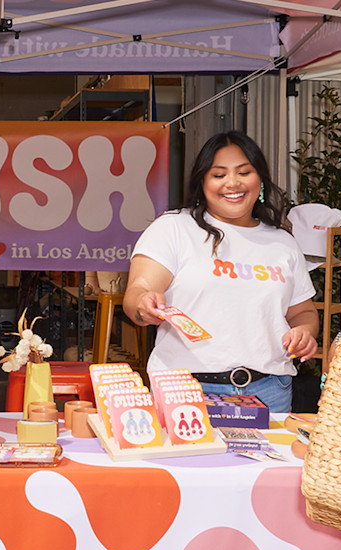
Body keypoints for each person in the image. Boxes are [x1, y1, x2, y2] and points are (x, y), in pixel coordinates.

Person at [123, 131, 318, 414]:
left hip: (271, 391)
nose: (232, 183)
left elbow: (303, 312)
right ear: (202, 181)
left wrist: (304, 332)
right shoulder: (174, 228)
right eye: (218, 175)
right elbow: (137, 292)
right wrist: (143, 302)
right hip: (186, 390)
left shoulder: (283, 242)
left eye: (244, 172)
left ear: (259, 179)